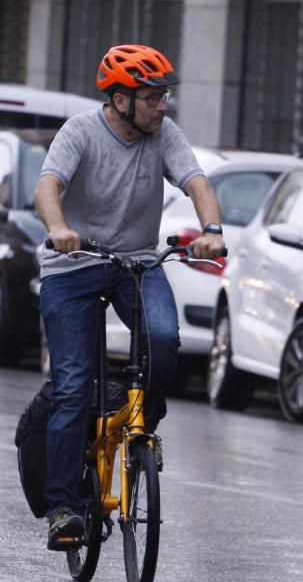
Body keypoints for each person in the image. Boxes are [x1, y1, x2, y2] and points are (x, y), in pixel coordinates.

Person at [34, 44, 225, 549]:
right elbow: (48, 186)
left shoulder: (165, 134)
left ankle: (142, 422)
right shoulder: (79, 132)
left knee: (163, 339)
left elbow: (197, 181)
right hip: (73, 266)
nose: (163, 106)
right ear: (121, 100)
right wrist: (59, 228)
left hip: (135, 263)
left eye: (164, 97)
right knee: (73, 385)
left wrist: (212, 228)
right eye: (152, 98)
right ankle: (63, 508)